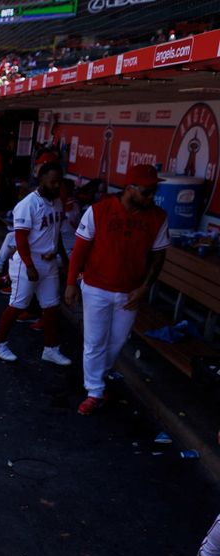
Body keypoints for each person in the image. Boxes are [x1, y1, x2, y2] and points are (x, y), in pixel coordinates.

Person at [64, 164, 169, 415]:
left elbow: (158, 258)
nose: (152, 196)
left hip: (130, 291)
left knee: (117, 340)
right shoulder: (99, 211)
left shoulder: (158, 217)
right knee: (94, 341)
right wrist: (70, 283)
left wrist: (144, 288)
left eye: (155, 191)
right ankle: (95, 390)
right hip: (96, 287)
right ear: (130, 188)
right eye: (147, 191)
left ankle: (99, 377)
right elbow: (80, 250)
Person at [0, 161, 73, 366]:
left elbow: (58, 235)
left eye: (59, 182)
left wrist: (65, 261)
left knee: (51, 306)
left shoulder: (57, 202)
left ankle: (51, 349)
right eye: (52, 182)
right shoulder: (28, 204)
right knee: (18, 305)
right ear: (41, 179)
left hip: (49, 262)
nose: (56, 186)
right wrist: (29, 265)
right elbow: (20, 239)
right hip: (29, 262)